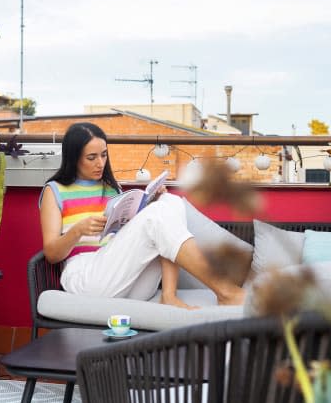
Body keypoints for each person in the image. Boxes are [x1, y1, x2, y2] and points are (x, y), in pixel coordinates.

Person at [39, 122, 244, 308]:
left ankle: (169, 295)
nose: (100, 163)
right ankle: (225, 291)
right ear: (74, 158)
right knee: (156, 215)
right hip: (86, 276)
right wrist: (77, 231)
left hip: (125, 280)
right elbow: (51, 254)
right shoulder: (55, 190)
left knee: (169, 202)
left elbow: (128, 236)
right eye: (91, 158)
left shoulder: (111, 188)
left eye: (103, 155)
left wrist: (151, 202)